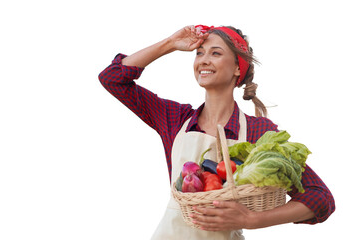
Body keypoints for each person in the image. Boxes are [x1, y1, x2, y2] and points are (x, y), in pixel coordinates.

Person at [98, 25, 335, 240]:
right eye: (199, 53)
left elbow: (320, 197)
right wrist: (170, 43)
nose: (203, 60)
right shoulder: (174, 119)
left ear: (236, 68)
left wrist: (251, 220)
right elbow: (112, 79)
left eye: (216, 53)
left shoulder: (257, 131)